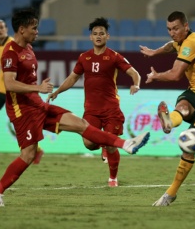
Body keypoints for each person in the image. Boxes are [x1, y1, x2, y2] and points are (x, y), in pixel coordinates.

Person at [0, 8, 150, 206]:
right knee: (28, 155)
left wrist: (40, 92)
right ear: (22, 29)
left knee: (81, 124)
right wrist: (38, 87)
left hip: (38, 105)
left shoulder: (29, 49)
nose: (37, 32)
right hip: (22, 111)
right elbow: (10, 84)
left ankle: (125, 144)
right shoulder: (10, 52)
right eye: (34, 28)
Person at [140, 11, 195, 206]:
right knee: (182, 104)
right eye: (169, 29)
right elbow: (171, 46)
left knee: (189, 148)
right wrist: (155, 51)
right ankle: (171, 120)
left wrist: (155, 77)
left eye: (176, 28)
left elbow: (175, 75)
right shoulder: (180, 41)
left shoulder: (192, 43)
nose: (172, 33)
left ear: (186, 27)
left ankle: (171, 193)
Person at [48, 17, 141, 187]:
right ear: (90, 37)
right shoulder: (84, 58)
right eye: (95, 33)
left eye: (102, 33)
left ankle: (113, 178)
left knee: (111, 144)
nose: (98, 36)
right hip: (91, 111)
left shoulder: (114, 57)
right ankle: (103, 145)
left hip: (111, 109)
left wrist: (136, 84)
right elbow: (72, 78)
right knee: (89, 143)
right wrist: (58, 91)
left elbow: (134, 73)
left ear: (108, 36)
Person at [0, 19, 44, 163]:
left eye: (1, 27)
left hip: (12, 89)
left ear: (7, 29)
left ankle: (37, 150)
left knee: (20, 120)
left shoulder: (13, 44)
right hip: (1, 88)